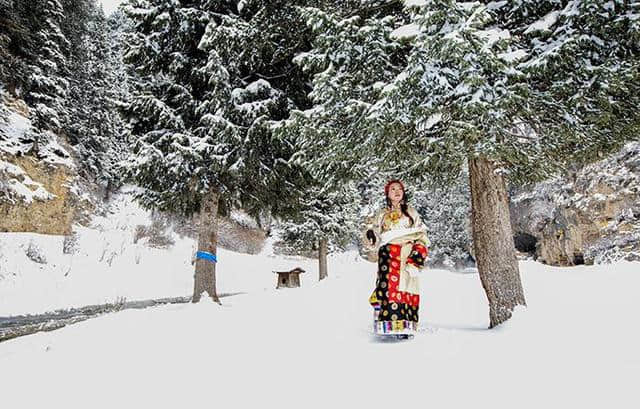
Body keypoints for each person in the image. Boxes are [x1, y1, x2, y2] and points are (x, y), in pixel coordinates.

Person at [365, 179, 430, 339]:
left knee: (406, 288)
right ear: (387, 193)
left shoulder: (412, 212)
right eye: (393, 189)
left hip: (406, 255)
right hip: (388, 256)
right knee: (388, 290)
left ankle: (405, 328)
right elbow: (372, 237)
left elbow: (422, 235)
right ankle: (388, 326)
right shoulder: (381, 214)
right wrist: (370, 235)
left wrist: (417, 256)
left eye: (399, 188)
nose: (397, 191)